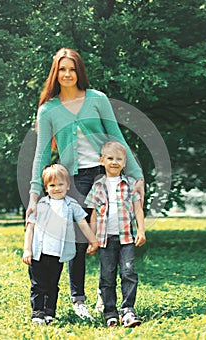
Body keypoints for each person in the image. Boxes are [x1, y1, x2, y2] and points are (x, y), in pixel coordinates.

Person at [26, 47, 145, 320]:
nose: (67, 74)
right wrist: (34, 193)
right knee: (78, 241)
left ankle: (107, 296)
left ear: (79, 72)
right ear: (56, 74)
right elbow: (42, 153)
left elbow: (117, 137)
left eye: (72, 69)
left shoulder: (97, 99)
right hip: (75, 179)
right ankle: (78, 298)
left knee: (110, 237)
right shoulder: (48, 110)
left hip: (106, 175)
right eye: (62, 69)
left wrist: (136, 175)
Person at [23, 164, 98, 324]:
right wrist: (27, 250)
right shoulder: (41, 206)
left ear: (68, 186)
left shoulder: (71, 205)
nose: (56, 188)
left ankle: (50, 312)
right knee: (38, 285)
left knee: (52, 285)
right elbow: (30, 228)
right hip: (39, 253)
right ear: (46, 187)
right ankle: (37, 313)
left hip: (58, 254)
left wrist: (93, 240)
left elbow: (83, 223)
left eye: (60, 184)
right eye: (52, 185)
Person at [85, 141, 146, 328]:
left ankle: (128, 311)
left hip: (127, 237)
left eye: (119, 159)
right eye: (110, 158)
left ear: (125, 162)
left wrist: (141, 230)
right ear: (102, 160)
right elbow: (94, 214)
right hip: (105, 239)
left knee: (128, 272)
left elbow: (138, 208)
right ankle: (109, 312)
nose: (114, 162)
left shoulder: (130, 184)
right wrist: (92, 239)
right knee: (107, 276)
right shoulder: (97, 186)